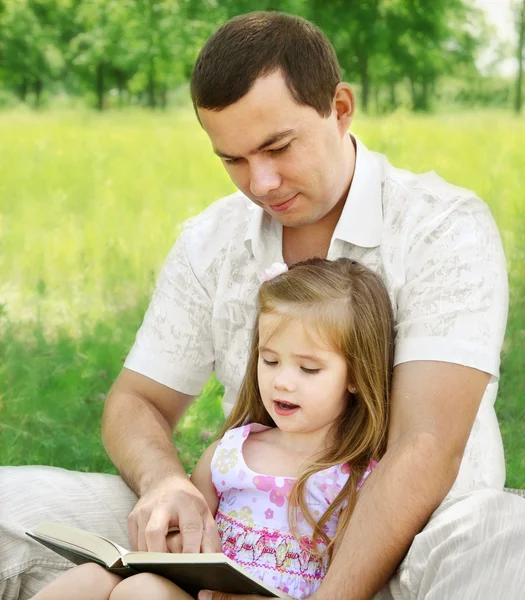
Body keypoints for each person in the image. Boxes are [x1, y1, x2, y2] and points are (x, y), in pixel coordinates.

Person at [1, 10, 524, 600]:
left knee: (509, 535)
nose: (262, 183)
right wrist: (167, 484)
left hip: (418, 545)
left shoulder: (442, 226)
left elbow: (424, 447)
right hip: (242, 539)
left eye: (278, 147)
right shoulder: (211, 240)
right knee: (7, 504)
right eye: (233, 160)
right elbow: (136, 400)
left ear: (340, 108)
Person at [31, 258, 394, 600]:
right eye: (270, 360)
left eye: (308, 369)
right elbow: (191, 543)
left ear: (356, 376)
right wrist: (166, 545)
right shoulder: (230, 453)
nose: (282, 381)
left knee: (139, 593)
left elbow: (350, 580)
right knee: (93, 579)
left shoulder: (355, 478)